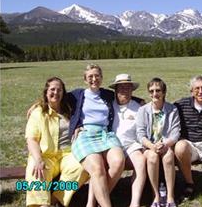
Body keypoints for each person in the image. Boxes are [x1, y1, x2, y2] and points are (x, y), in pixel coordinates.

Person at [25, 77, 89, 207]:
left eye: (59, 90)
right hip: (45, 154)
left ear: (63, 93)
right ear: (46, 92)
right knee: (36, 170)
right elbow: (31, 139)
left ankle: (56, 199)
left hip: (67, 153)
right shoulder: (38, 112)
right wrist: (38, 159)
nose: (56, 93)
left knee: (83, 167)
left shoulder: (71, 109)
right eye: (52, 89)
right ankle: (42, 204)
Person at [70, 64, 125, 207]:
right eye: (90, 76)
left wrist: (140, 101)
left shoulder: (106, 94)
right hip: (85, 135)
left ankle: (93, 202)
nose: (94, 79)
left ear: (101, 77)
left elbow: (123, 96)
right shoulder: (78, 94)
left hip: (105, 135)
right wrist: (38, 105)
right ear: (85, 79)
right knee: (97, 169)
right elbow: (55, 98)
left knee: (118, 162)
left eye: (97, 76)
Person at [136, 78, 181, 207]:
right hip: (149, 146)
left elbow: (175, 132)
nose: (154, 94)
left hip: (166, 144)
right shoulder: (143, 110)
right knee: (152, 157)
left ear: (164, 92)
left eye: (158, 90)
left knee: (168, 157)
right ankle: (155, 195)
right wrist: (152, 146)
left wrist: (165, 144)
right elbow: (140, 134)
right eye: (151, 91)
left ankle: (170, 196)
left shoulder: (172, 110)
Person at [109, 73, 147, 207]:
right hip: (111, 146)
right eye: (121, 87)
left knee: (141, 160)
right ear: (115, 89)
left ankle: (135, 202)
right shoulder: (108, 106)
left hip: (131, 145)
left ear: (132, 90)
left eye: (127, 87)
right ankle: (103, 195)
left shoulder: (139, 107)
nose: (124, 90)